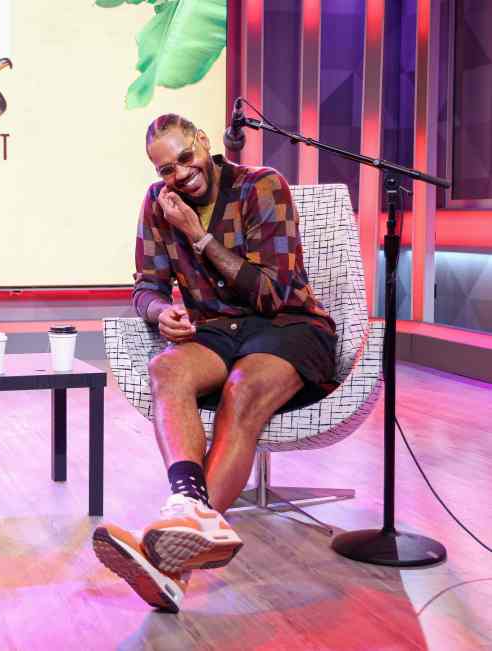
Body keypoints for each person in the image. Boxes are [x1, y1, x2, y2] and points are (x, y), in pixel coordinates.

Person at [92, 114, 337, 612]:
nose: (179, 175)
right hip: (216, 332)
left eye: (185, 159)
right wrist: (162, 314)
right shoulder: (156, 204)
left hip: (289, 327)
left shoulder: (261, 186)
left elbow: (274, 293)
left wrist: (198, 237)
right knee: (166, 369)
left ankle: (172, 562)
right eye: (166, 170)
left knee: (243, 388)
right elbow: (146, 285)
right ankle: (186, 505)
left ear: (204, 143)